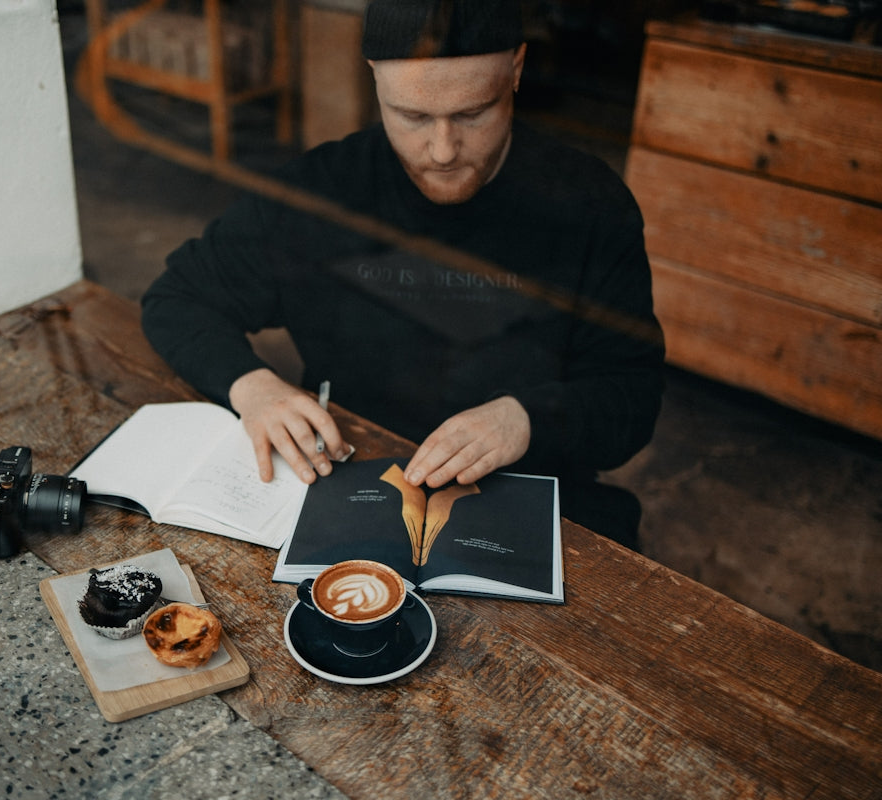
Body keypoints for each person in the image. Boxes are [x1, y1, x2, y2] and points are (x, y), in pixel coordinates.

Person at [140, 0, 665, 549]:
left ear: (516, 68)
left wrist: (527, 419)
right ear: (374, 78)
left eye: (472, 114)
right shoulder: (317, 194)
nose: (441, 151)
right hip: (351, 477)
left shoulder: (591, 206)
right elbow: (178, 298)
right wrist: (254, 388)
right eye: (412, 116)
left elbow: (631, 394)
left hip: (535, 496)